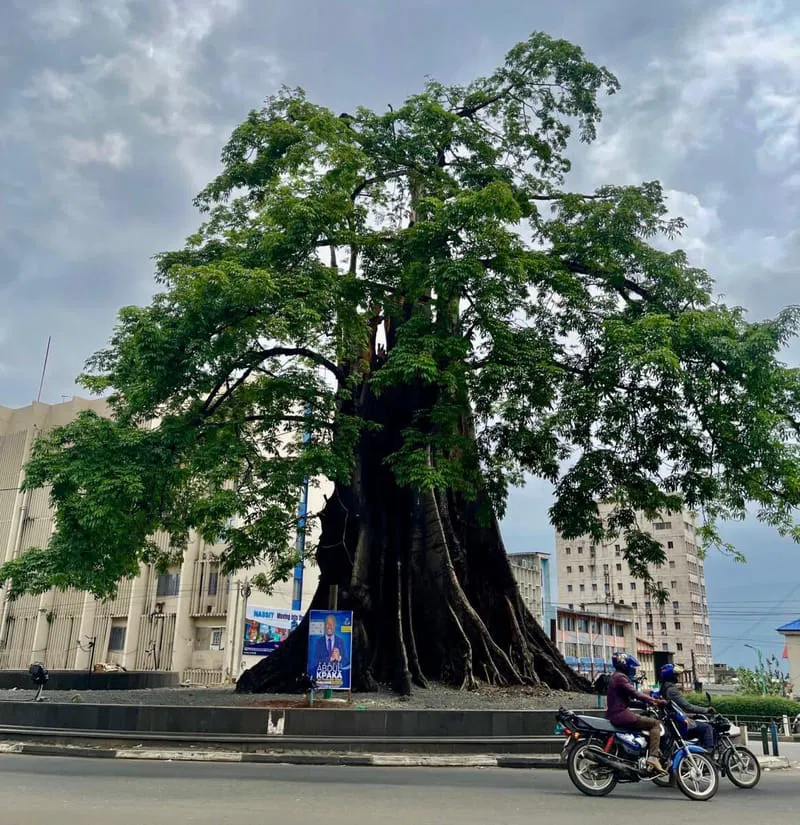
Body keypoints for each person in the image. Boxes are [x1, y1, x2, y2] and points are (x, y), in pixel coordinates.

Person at [606, 652, 666, 774]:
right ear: (624, 665)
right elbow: (636, 693)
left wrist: (646, 704)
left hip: (617, 713)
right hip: (621, 714)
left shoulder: (616, 677)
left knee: (643, 721)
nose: (633, 669)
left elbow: (629, 701)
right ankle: (653, 757)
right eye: (631, 666)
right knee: (655, 724)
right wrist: (653, 700)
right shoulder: (620, 678)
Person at [658, 664, 715, 750]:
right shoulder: (672, 690)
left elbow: (676, 709)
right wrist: (706, 710)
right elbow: (687, 706)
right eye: (676, 675)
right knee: (707, 728)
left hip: (674, 723)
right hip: (681, 725)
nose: (678, 677)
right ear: (671, 676)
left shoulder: (664, 688)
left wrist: (692, 715)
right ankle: (708, 755)